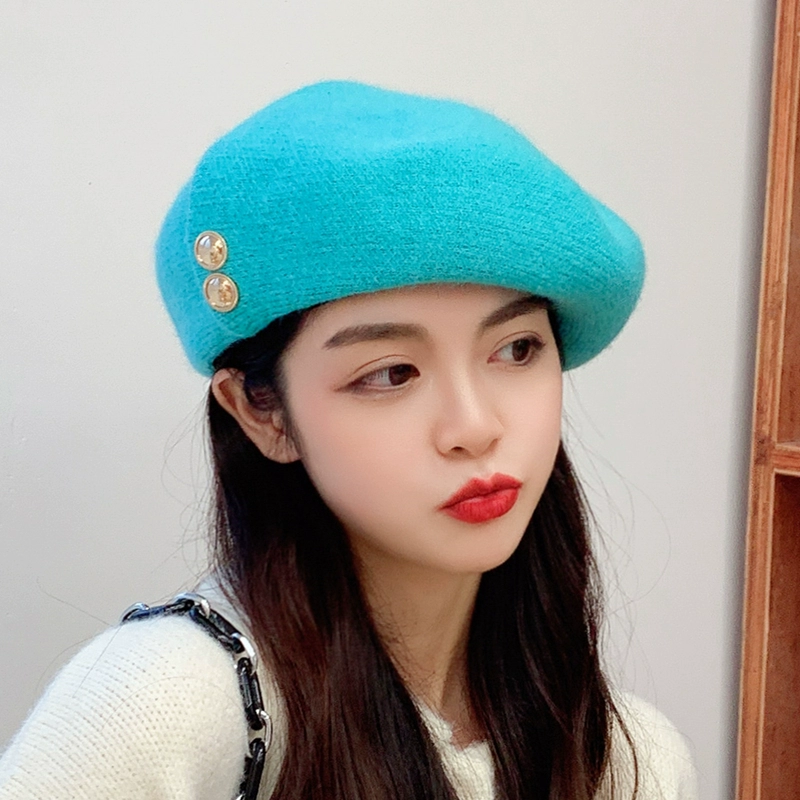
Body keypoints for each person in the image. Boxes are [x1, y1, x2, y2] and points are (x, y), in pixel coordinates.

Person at [0, 80, 698, 800]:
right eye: (391, 373)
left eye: (516, 349)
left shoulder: (631, 761)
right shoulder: (162, 706)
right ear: (262, 413)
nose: (474, 427)